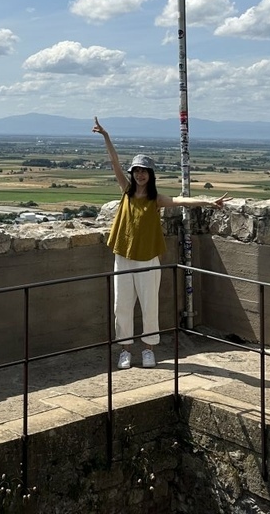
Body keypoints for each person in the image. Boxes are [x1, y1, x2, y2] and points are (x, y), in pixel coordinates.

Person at [92, 117, 229, 370]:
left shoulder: (156, 199)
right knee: (121, 305)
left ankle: (148, 349)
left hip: (147, 258)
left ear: (150, 175)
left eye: (143, 171)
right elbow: (114, 163)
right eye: (136, 170)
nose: (139, 174)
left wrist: (208, 202)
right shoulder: (126, 191)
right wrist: (106, 136)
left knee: (149, 306)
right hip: (123, 256)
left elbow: (180, 201)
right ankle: (125, 350)